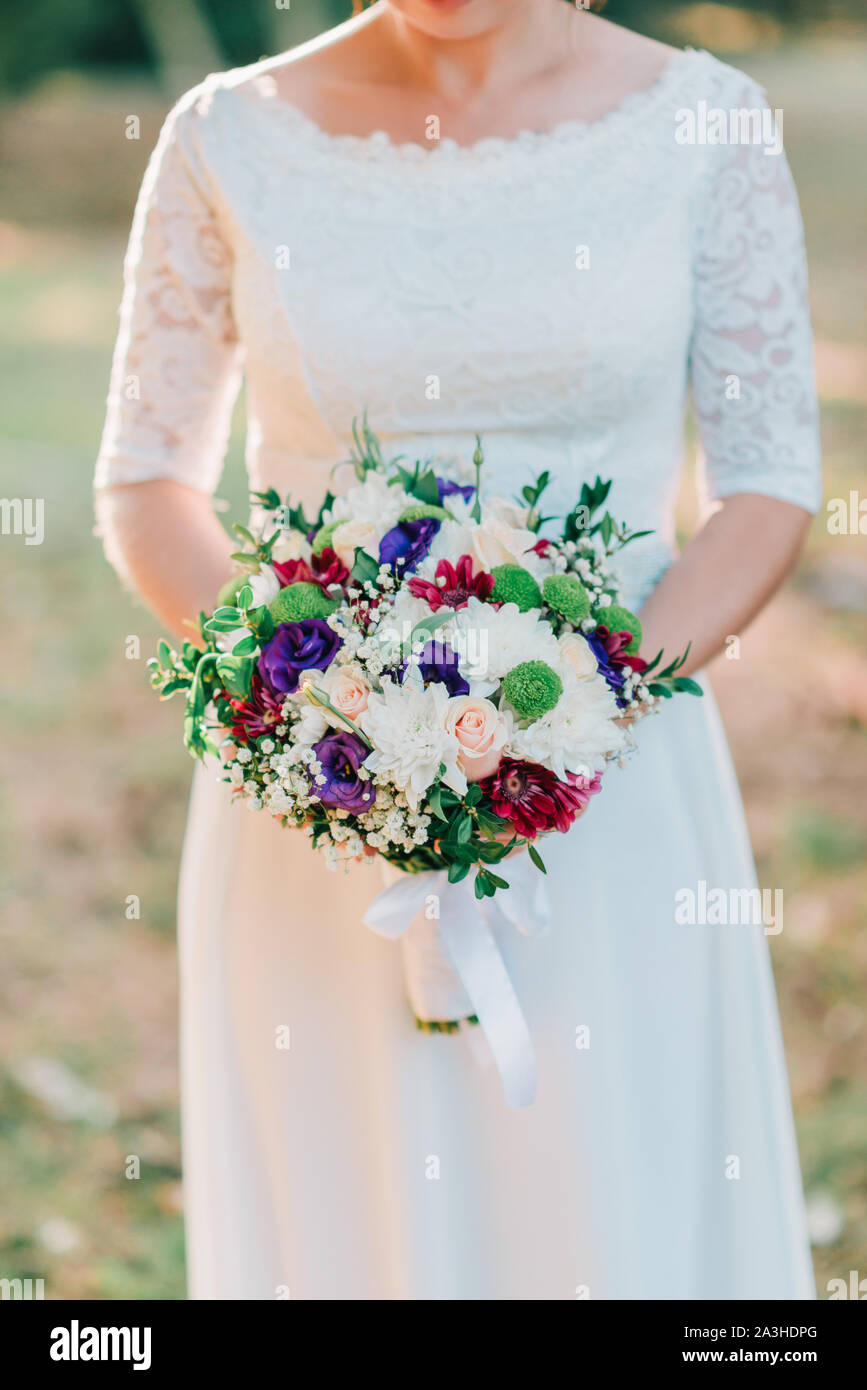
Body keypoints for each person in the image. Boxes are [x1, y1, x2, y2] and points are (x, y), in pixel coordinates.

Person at [95, 1, 821, 1299]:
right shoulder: (228, 135)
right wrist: (312, 715)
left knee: (615, 1208)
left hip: (614, 792)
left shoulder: (707, 124)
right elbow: (149, 481)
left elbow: (765, 489)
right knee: (349, 1215)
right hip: (318, 809)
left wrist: (569, 720)